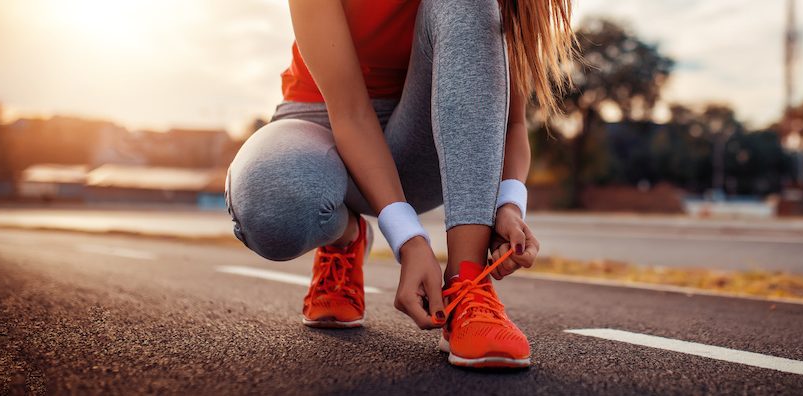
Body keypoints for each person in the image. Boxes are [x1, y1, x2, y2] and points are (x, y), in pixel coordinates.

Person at [225, 0, 575, 369]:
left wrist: (507, 205)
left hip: (422, 142)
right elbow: (352, 112)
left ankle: (467, 286)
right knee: (269, 199)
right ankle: (343, 236)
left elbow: (513, 124)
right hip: (324, 124)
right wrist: (408, 239)